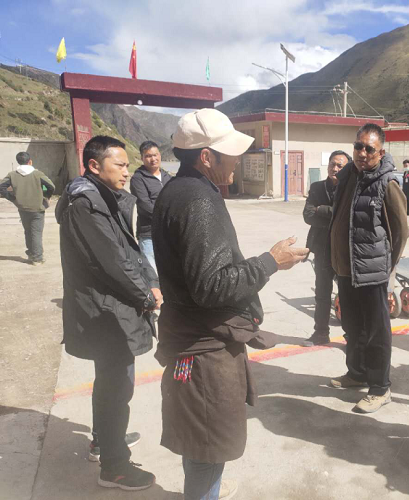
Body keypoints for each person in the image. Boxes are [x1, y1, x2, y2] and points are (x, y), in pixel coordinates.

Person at [151, 108, 309, 500]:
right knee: (208, 445)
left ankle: (207, 488)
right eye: (231, 153)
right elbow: (211, 286)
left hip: (189, 336)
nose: (238, 159)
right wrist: (270, 262)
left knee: (200, 441)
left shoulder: (176, 189)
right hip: (204, 347)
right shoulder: (198, 200)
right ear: (206, 157)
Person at [55, 136, 162, 491]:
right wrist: (147, 296)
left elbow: (129, 251)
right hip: (106, 310)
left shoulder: (101, 197)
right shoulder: (87, 204)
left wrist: (150, 282)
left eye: (128, 165)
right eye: (120, 164)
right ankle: (114, 467)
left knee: (110, 381)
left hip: (108, 306)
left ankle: (104, 440)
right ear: (94, 165)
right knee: (117, 386)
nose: (127, 171)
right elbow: (114, 261)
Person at [328, 123, 409, 414]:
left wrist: (386, 265)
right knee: (352, 327)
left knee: (376, 332)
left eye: (369, 149)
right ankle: (357, 373)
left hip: (372, 271)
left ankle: (380, 388)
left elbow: (400, 231)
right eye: (358, 146)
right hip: (345, 269)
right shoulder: (347, 176)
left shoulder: (387, 183)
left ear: (381, 152)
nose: (362, 153)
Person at [303, 150, 351, 346]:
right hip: (322, 249)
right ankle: (321, 333)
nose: (335, 168)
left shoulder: (351, 189)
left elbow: (349, 218)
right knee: (322, 294)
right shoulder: (317, 188)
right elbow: (308, 216)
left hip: (344, 251)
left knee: (347, 295)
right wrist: (335, 216)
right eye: (333, 164)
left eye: (340, 165)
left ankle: (350, 337)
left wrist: (321, 210)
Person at [0, 152, 55, 265]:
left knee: (28, 231)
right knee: (36, 232)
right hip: (37, 208)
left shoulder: (12, 175)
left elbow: (2, 187)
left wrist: (12, 198)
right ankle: (37, 258)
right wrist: (46, 196)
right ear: (30, 161)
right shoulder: (38, 174)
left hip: (22, 208)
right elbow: (51, 186)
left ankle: (30, 253)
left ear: (18, 162)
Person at [129, 140, 172, 272]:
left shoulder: (167, 177)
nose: (153, 159)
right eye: (148, 156)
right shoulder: (138, 179)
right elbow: (145, 206)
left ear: (160, 155)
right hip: (149, 234)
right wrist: (170, 216)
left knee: (169, 271)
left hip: (169, 233)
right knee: (151, 273)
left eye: (155, 155)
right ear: (142, 158)